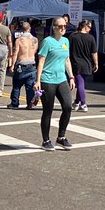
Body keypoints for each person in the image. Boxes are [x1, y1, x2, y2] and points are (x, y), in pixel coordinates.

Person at [35, 16, 76, 151]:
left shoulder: (66, 41)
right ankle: (46, 140)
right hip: (47, 80)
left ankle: (61, 137)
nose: (63, 28)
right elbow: (41, 61)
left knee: (68, 106)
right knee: (48, 110)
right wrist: (37, 80)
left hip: (61, 79)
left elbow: (67, 60)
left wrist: (71, 77)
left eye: (65, 26)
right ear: (54, 27)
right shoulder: (47, 42)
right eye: (60, 26)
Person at [68, 18, 99, 111]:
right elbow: (94, 52)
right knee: (81, 83)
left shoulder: (73, 36)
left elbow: (68, 50)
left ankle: (79, 102)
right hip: (87, 63)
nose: (90, 29)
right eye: (89, 27)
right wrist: (96, 63)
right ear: (85, 27)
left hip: (76, 63)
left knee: (80, 83)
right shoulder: (91, 38)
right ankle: (82, 103)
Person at [7, 20, 39, 109]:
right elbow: (35, 52)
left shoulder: (19, 40)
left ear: (21, 30)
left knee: (17, 85)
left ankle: (14, 103)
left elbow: (15, 53)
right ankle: (30, 103)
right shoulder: (35, 40)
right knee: (30, 86)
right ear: (30, 29)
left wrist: (12, 65)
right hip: (32, 64)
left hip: (22, 63)